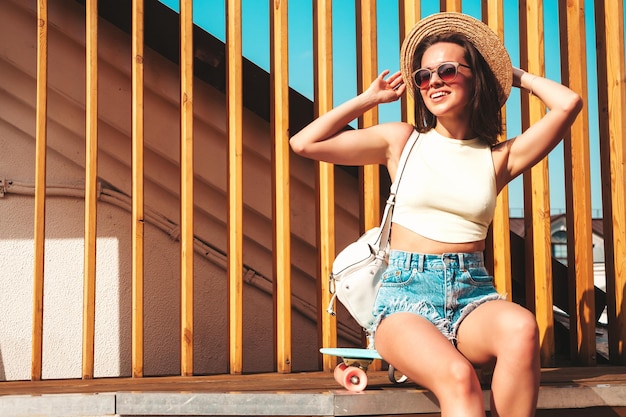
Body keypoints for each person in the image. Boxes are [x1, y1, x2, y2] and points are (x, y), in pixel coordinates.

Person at [290, 12, 582, 417]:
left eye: (446, 70)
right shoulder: (402, 141)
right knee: (459, 379)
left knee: (522, 328)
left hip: (472, 293)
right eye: (423, 76)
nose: (433, 82)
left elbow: (569, 103)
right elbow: (304, 143)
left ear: (474, 77)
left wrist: (510, 75)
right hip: (405, 298)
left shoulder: (498, 158)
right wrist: (369, 99)